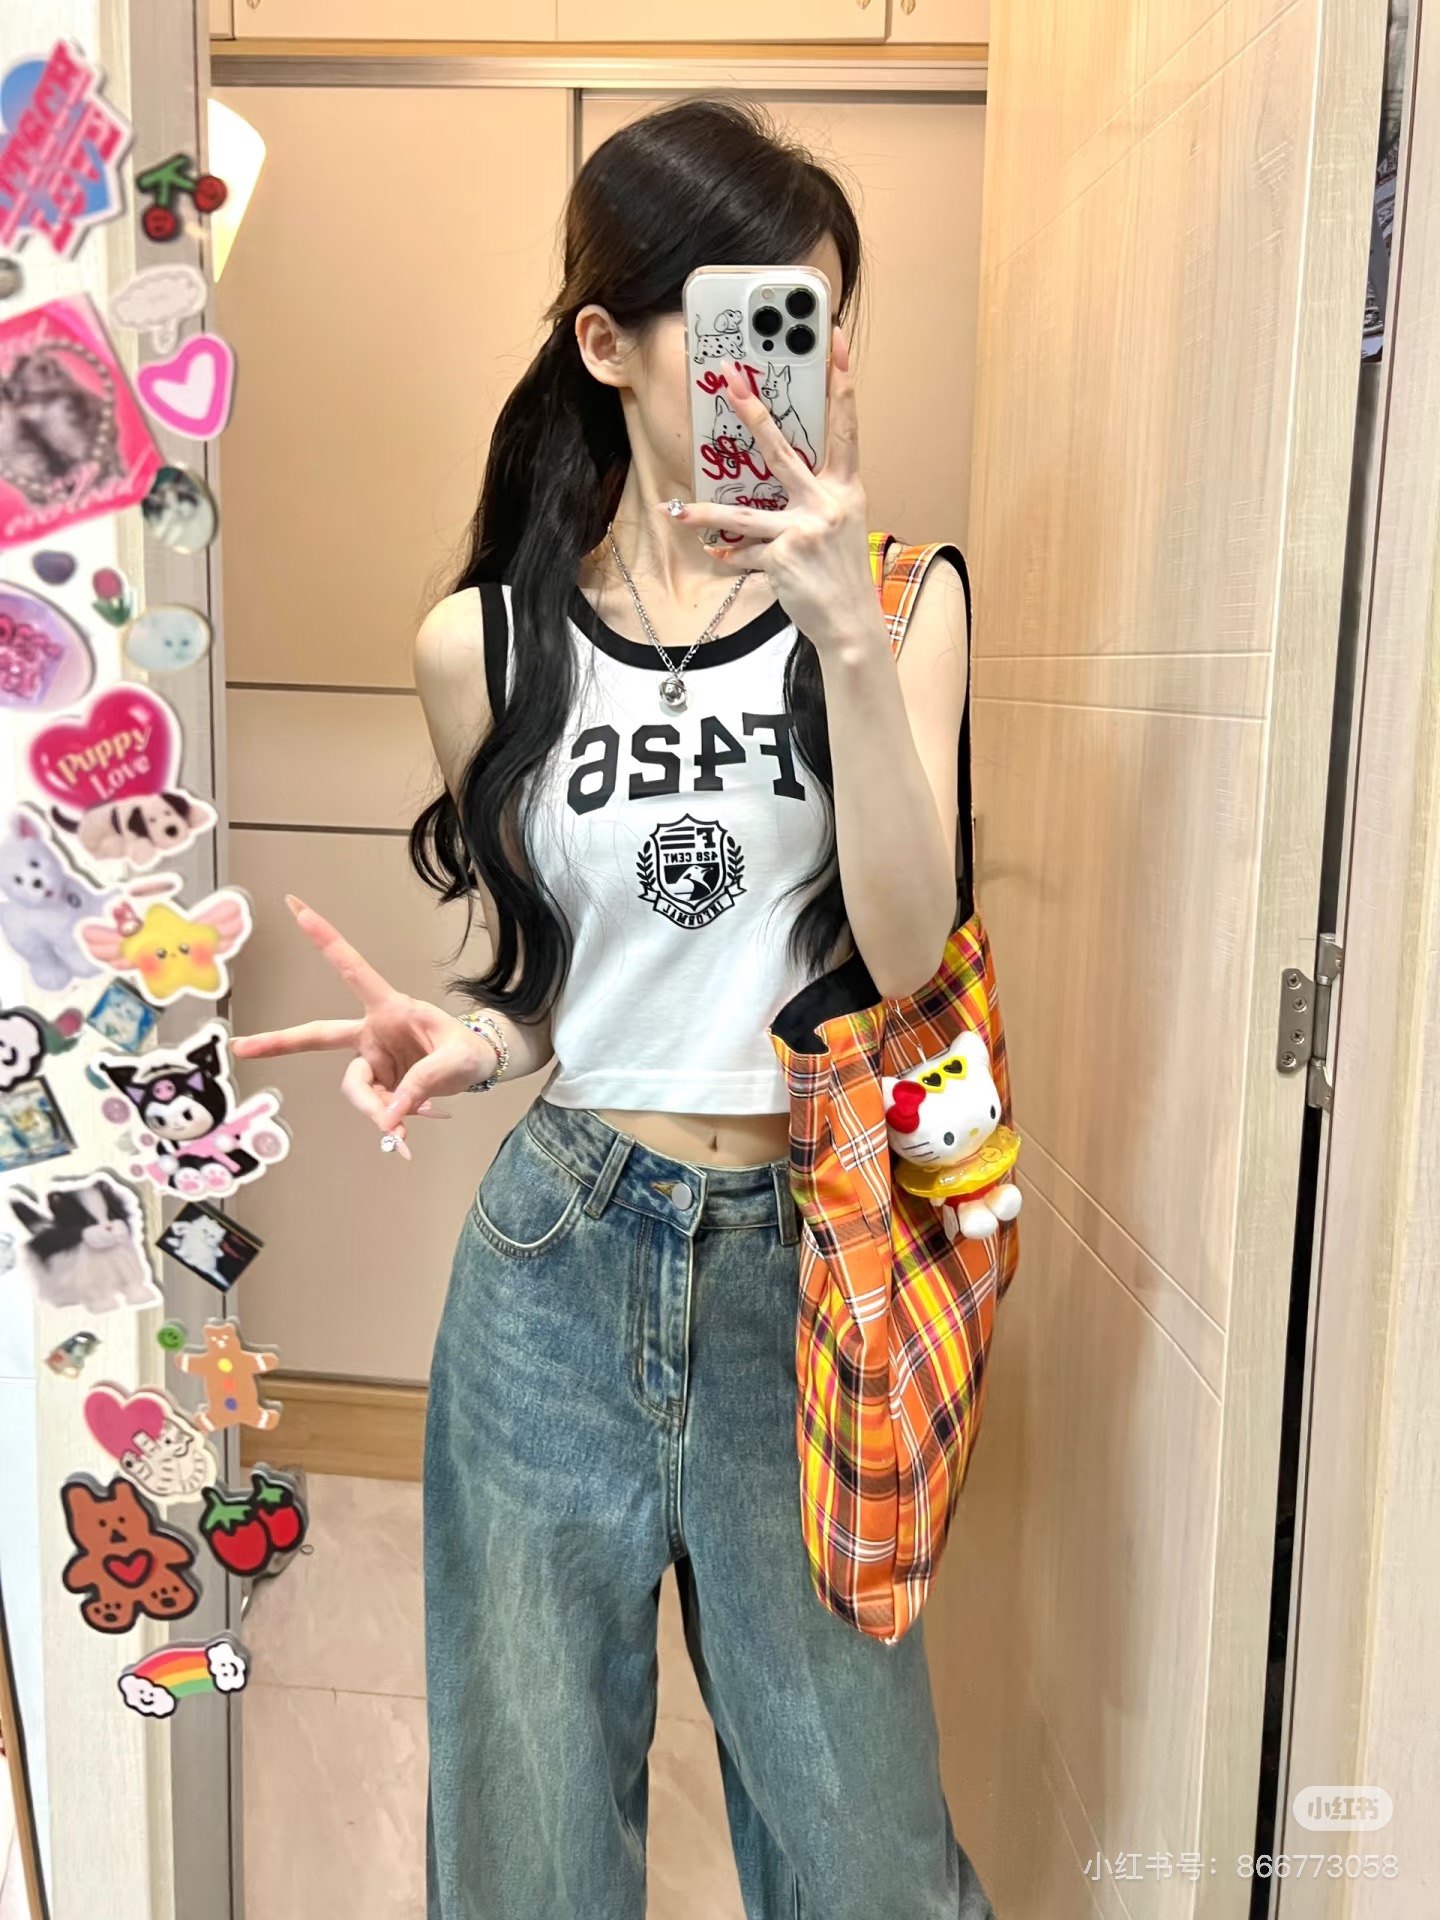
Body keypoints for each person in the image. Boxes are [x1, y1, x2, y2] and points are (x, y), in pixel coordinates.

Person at [231, 96, 984, 1920]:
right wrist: (473, 1033)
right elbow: (561, 990)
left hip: (807, 1271)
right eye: (749, 322)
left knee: (871, 1862)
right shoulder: (482, 647)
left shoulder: (903, 607)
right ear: (608, 345)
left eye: (822, 325)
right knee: (531, 1850)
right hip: (557, 1264)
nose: (805, 368)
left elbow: (902, 955)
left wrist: (843, 634)